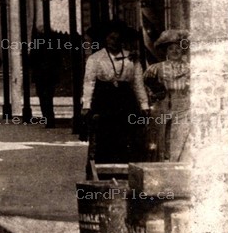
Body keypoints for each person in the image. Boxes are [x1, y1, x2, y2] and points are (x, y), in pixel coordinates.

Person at [80, 21, 149, 173]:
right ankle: (103, 170)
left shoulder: (131, 58)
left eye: (117, 39)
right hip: (104, 100)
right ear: (105, 39)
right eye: (111, 38)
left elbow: (138, 83)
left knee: (127, 134)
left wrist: (144, 104)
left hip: (125, 100)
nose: (114, 42)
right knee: (105, 134)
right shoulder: (95, 58)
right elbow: (89, 82)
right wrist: (86, 105)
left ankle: (126, 171)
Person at [144, 30, 191, 162]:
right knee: (159, 137)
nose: (175, 51)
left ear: (183, 51)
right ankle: (160, 165)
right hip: (162, 106)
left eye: (178, 49)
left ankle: (176, 164)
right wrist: (155, 94)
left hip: (183, 106)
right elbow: (147, 85)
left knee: (179, 135)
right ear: (166, 51)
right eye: (171, 49)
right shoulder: (156, 68)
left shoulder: (190, 68)